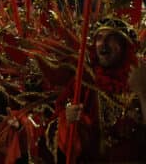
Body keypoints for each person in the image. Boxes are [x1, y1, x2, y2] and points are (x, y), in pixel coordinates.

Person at [52, 16, 146, 161]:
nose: (103, 44)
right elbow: (56, 129)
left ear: (125, 45)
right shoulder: (84, 83)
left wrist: (142, 93)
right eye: (99, 38)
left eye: (111, 38)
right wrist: (68, 119)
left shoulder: (140, 78)